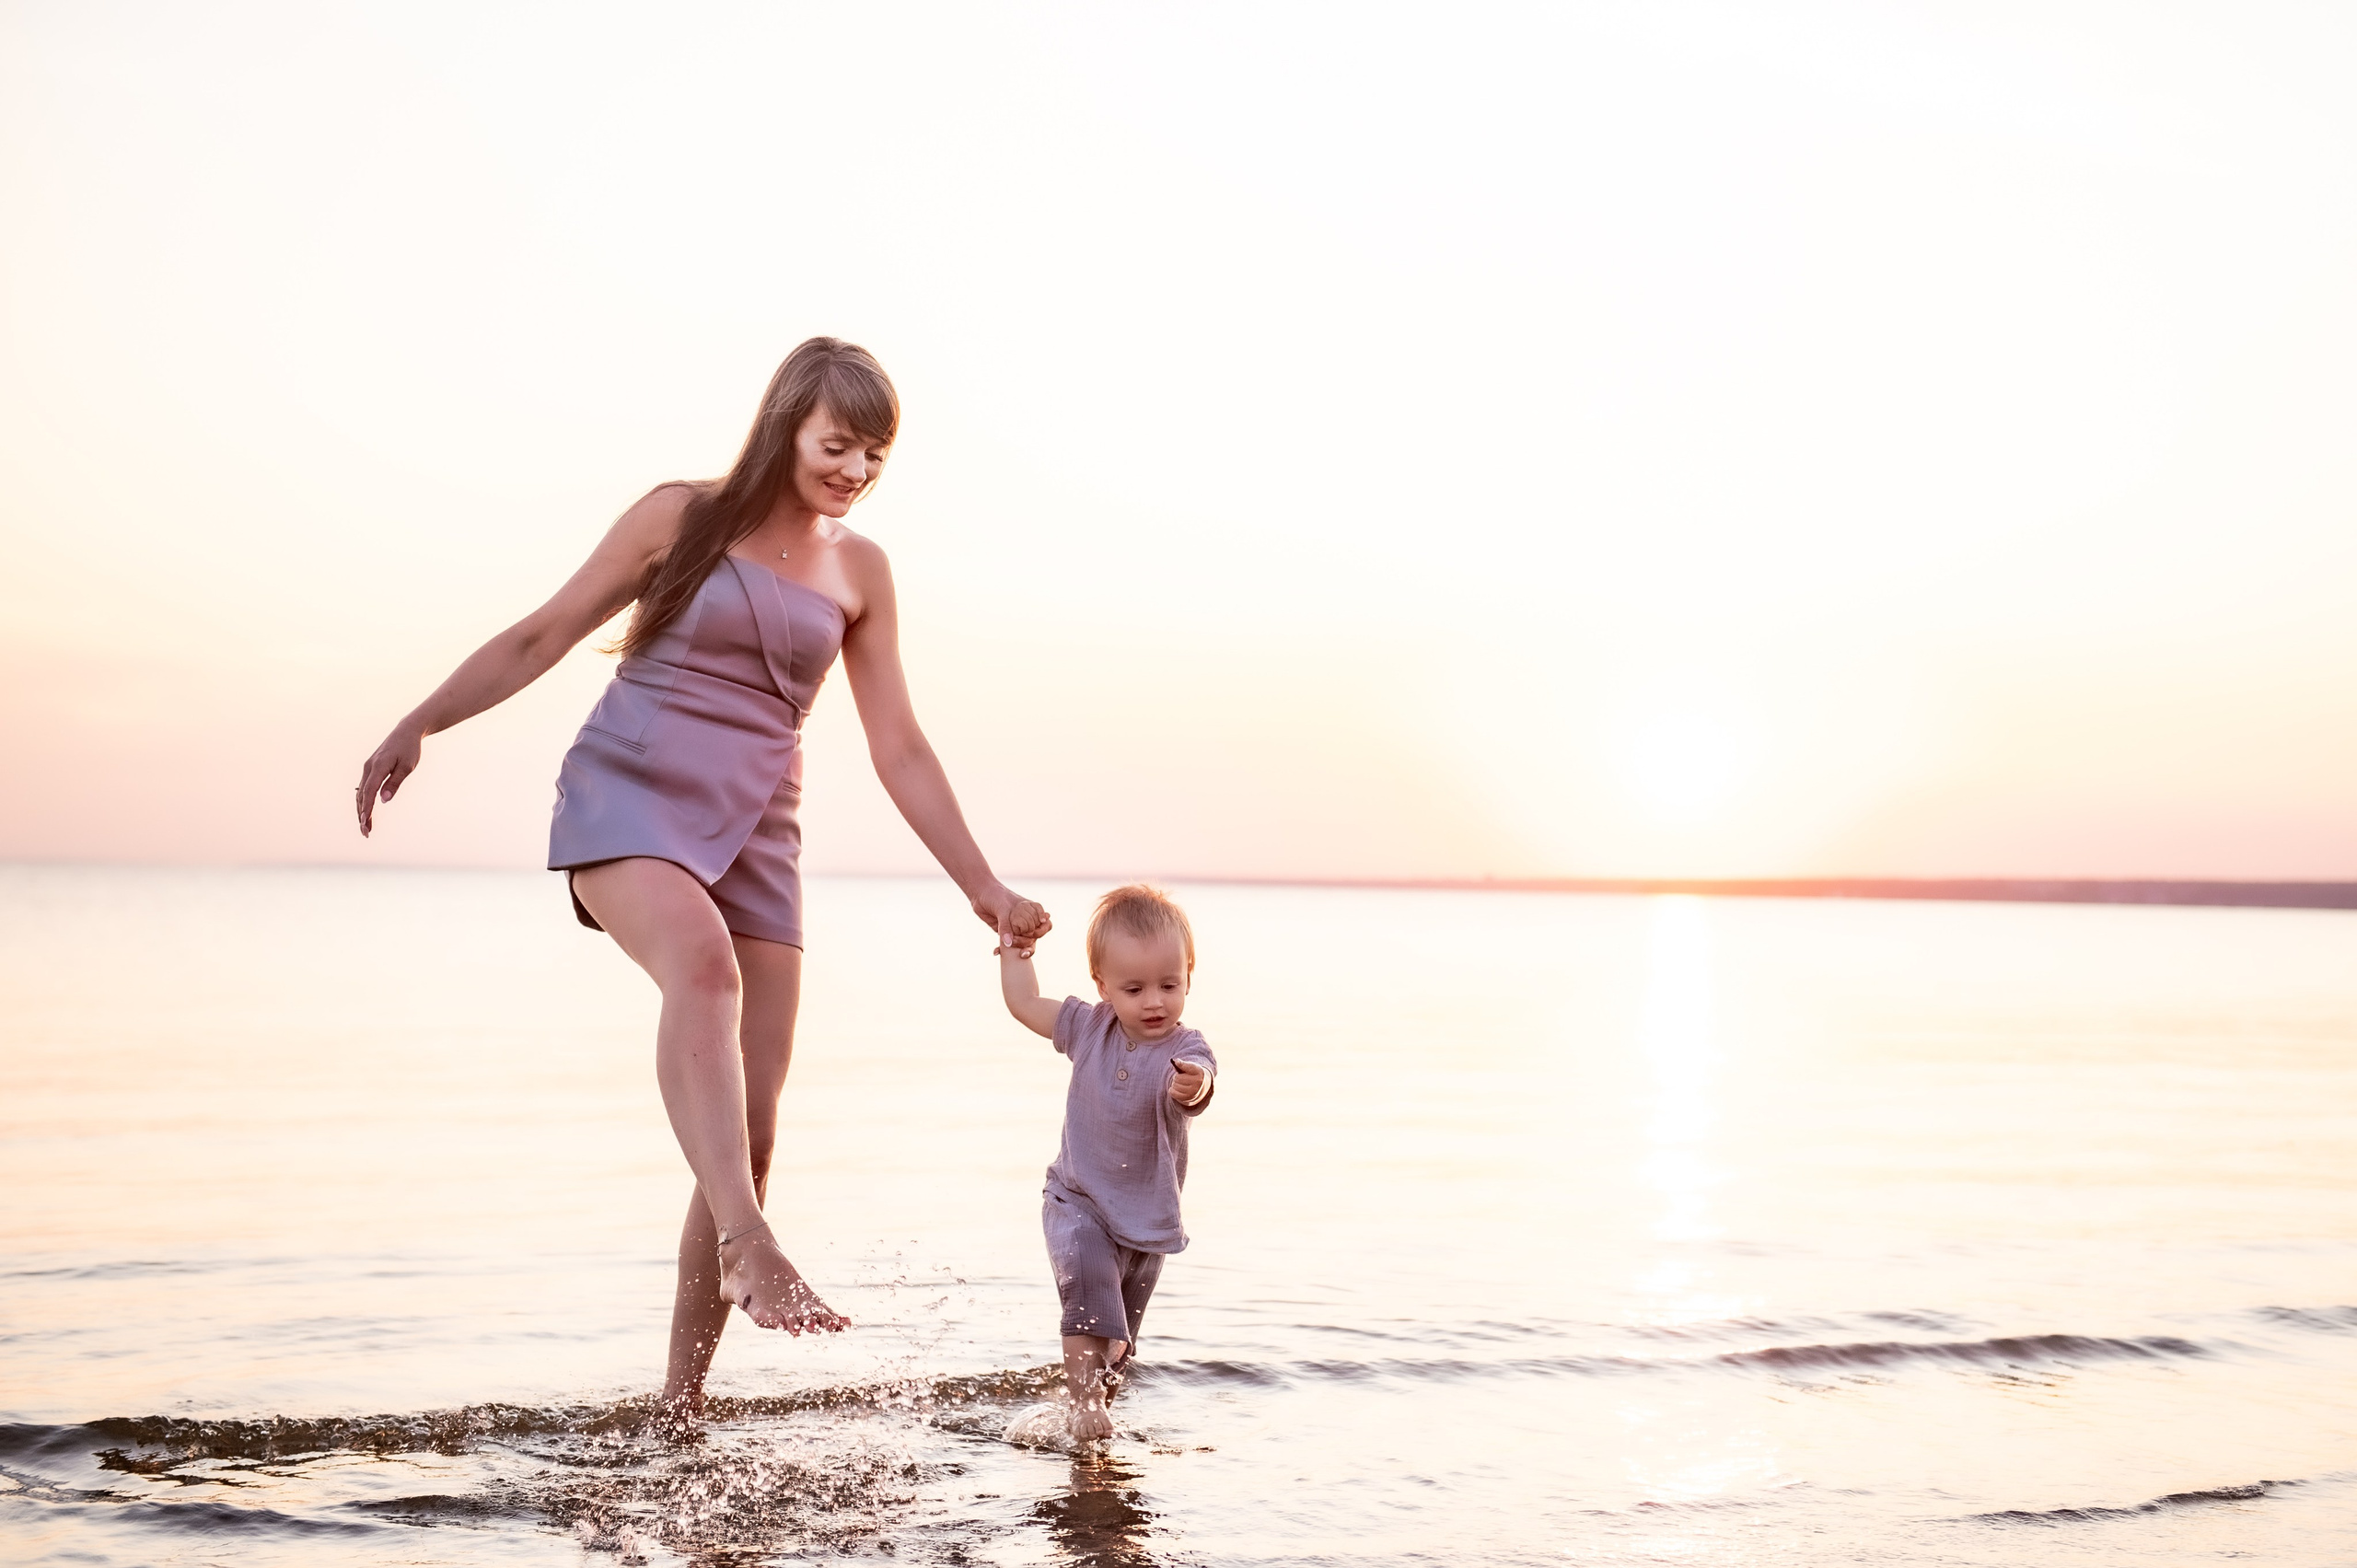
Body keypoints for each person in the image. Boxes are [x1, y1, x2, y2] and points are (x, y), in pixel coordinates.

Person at [354, 337, 1051, 1423]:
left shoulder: (861, 571)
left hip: (759, 829)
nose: (856, 469)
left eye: (874, 453)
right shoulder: (681, 515)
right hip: (628, 795)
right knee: (703, 971)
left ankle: (679, 1408)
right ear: (786, 425)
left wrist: (984, 888)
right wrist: (422, 720)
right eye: (837, 443)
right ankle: (748, 1244)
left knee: (754, 1128)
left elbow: (900, 745)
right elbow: (544, 630)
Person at [996, 885, 1218, 1441]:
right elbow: (1025, 1004)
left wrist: (1193, 1085)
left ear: (1188, 975)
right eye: (1134, 988)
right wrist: (1016, 952)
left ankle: (1092, 1420)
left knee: (1119, 1343)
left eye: (1170, 985)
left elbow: (1201, 1085)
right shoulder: (1088, 1027)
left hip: (1145, 1222)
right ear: (1103, 987)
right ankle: (1084, 1402)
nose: (1154, 1002)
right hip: (1078, 1199)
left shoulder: (1187, 1048)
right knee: (1087, 1292)